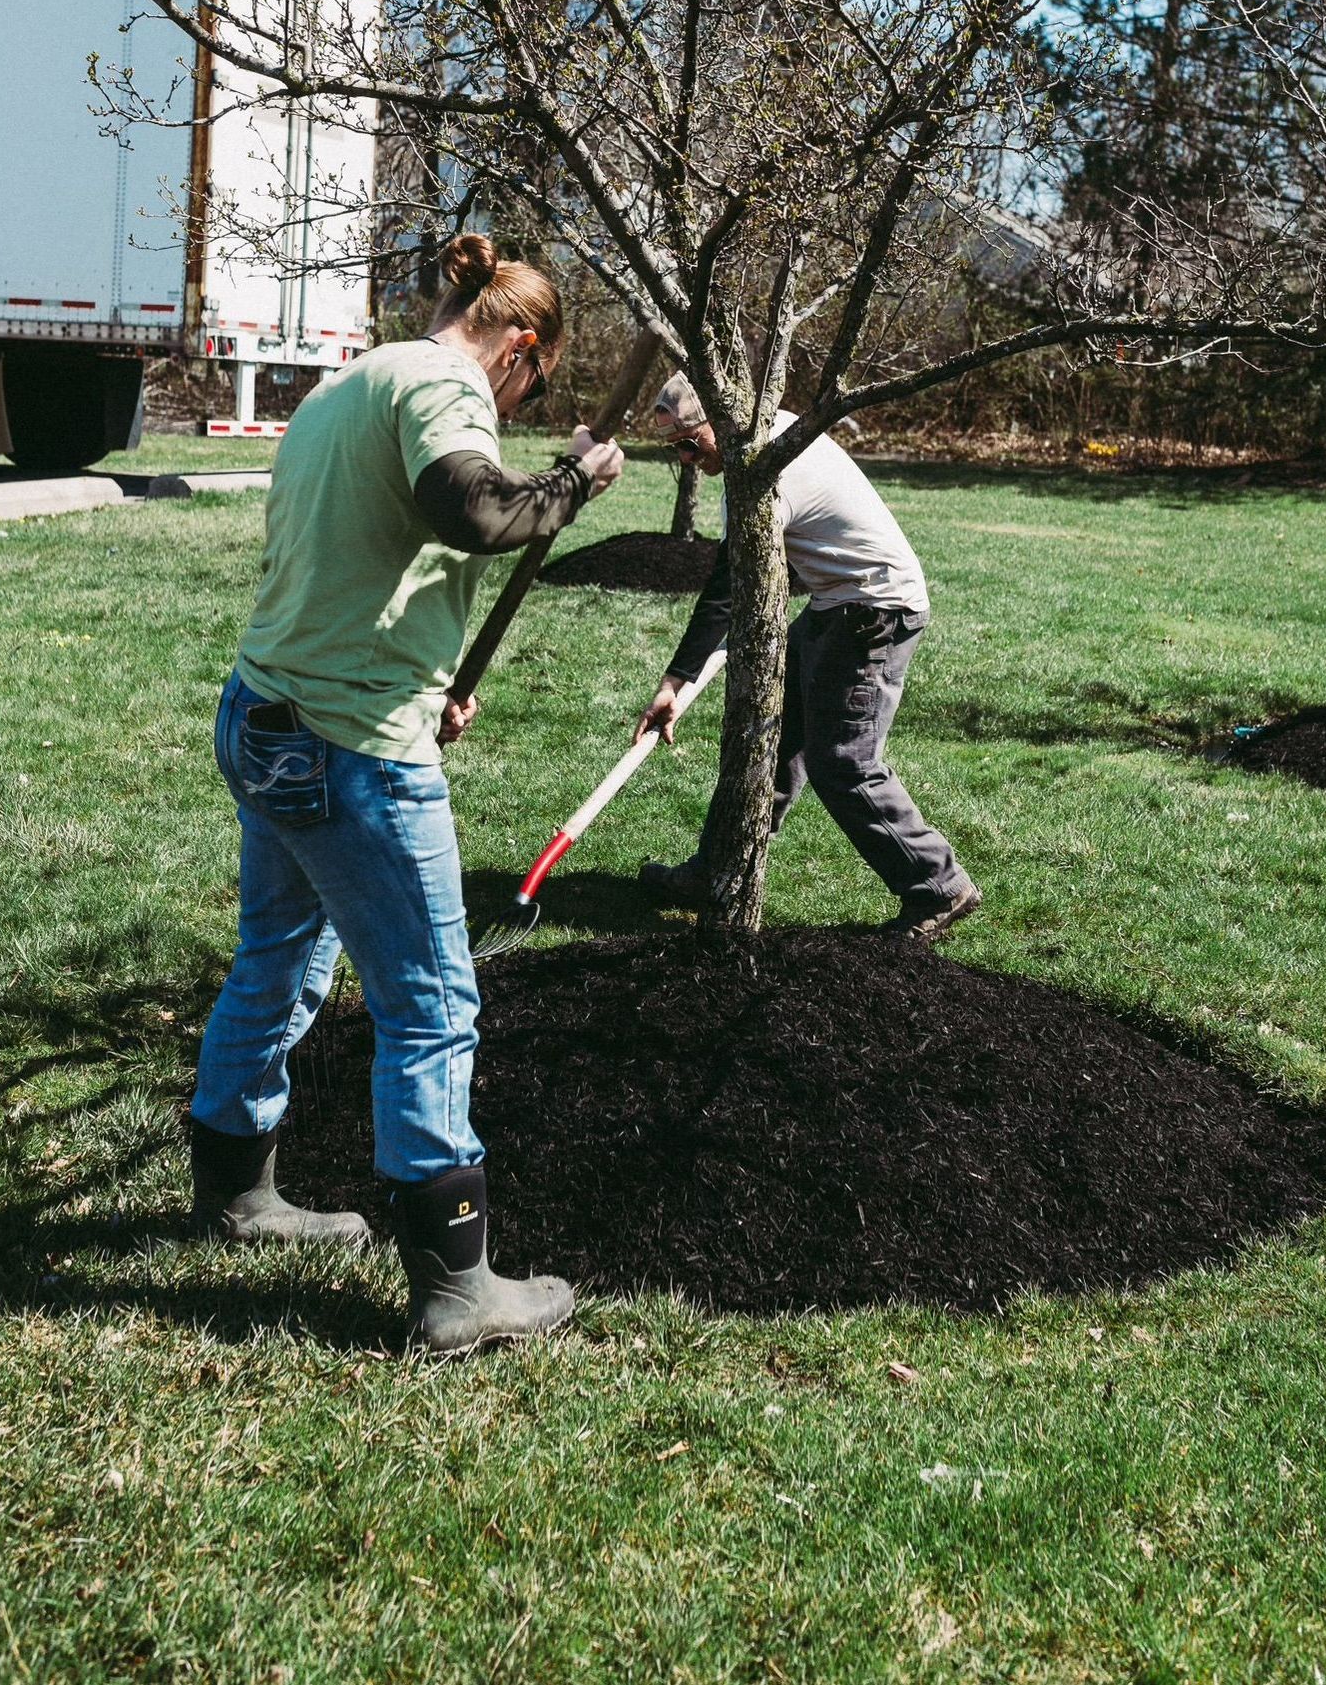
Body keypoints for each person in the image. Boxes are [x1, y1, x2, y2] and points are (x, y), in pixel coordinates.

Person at [189, 234, 624, 1353]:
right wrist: (575, 480)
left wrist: (425, 675)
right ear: (516, 346)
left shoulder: (357, 379)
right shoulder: (443, 383)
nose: (523, 403)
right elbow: (471, 512)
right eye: (534, 381)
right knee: (432, 1002)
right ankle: (455, 1288)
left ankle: (237, 1193)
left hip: (268, 710)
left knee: (277, 956)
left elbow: (365, 551)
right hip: (352, 746)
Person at [635, 374, 980, 940]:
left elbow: (730, 585)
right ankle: (719, 870)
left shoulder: (770, 470)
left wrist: (675, 682)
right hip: (836, 603)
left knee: (843, 762)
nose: (685, 459)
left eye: (689, 444)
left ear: (720, 421)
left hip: (874, 611)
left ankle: (937, 885)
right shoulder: (761, 443)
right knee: (769, 740)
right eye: (673, 449)